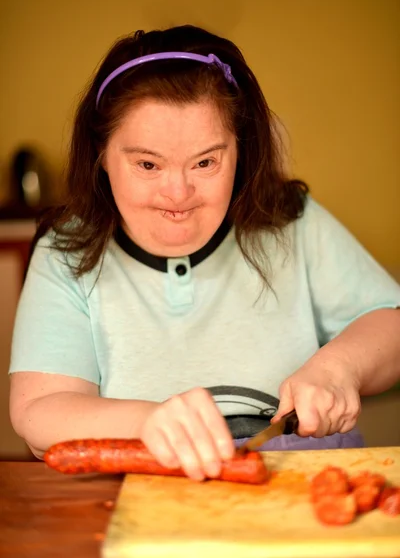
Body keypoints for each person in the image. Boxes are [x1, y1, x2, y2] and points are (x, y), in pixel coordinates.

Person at [9, 25, 400, 482]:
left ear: (240, 150)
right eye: (148, 164)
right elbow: (38, 412)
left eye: (206, 162)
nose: (178, 192)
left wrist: (340, 368)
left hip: (309, 483)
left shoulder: (291, 220)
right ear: (102, 154)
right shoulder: (65, 250)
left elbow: (389, 323)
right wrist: (145, 423)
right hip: (142, 489)